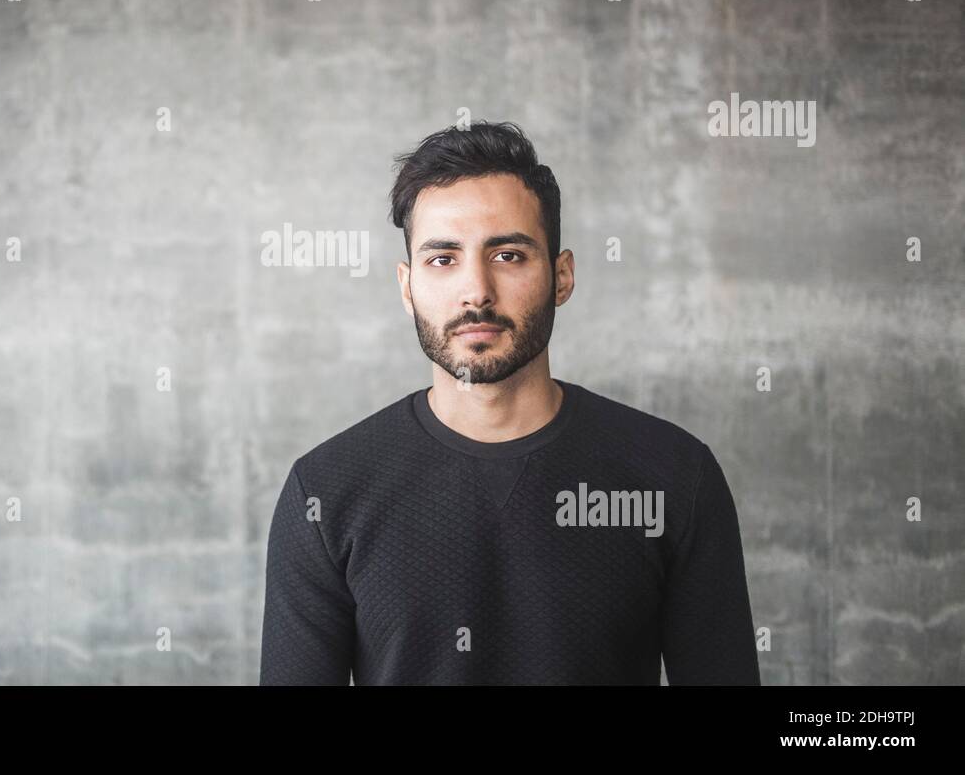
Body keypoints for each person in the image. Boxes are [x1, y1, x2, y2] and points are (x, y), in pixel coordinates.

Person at [259, 120, 761, 685]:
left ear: (562, 276)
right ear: (407, 287)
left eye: (508, 255)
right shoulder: (325, 492)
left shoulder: (672, 475)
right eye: (443, 259)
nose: (476, 290)